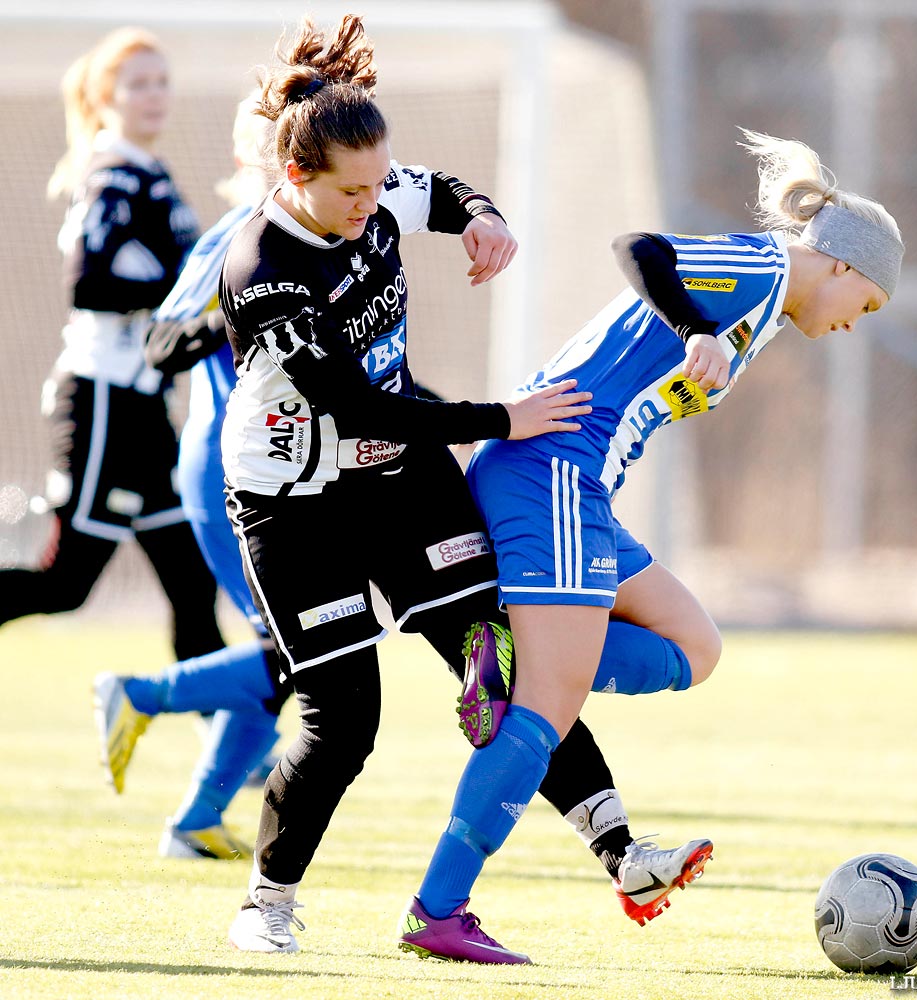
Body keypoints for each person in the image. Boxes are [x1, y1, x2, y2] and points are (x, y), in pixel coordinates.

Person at [214, 14, 710, 959]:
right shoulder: (264, 272)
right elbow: (355, 408)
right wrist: (502, 420)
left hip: (402, 479)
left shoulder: (376, 187)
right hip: (294, 502)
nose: (370, 204)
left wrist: (483, 218)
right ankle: (266, 904)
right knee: (345, 719)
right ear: (294, 182)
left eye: (375, 185)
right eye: (349, 193)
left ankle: (622, 850)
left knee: (516, 655)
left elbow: (439, 190)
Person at [398, 131, 905, 964]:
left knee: (694, 646)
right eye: (868, 306)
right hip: (548, 469)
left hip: (582, 490)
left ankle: (516, 654)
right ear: (845, 267)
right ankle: (437, 909)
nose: (855, 325)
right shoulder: (767, 270)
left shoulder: (770, 311)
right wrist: (692, 324)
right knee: (547, 709)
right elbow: (638, 248)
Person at [91, 90, 289, 860]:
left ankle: (196, 822)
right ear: (250, 160)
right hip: (222, 467)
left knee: (286, 655)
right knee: (296, 650)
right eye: (280, 152)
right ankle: (138, 694)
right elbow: (162, 342)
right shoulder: (234, 236)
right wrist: (243, 311)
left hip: (274, 472)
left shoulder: (318, 238)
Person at [0, 28, 223, 669]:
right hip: (103, 400)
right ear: (106, 96)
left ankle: (228, 747)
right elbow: (88, 283)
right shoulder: (113, 173)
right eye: (138, 83)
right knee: (66, 585)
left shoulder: (151, 172)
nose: (155, 95)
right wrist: (189, 293)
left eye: (162, 82)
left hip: (146, 408)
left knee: (191, 577)